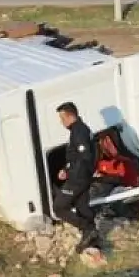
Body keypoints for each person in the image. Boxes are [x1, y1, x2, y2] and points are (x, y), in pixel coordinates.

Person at [52, 102, 100, 253]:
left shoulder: (79, 131)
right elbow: (76, 157)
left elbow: (84, 156)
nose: (61, 122)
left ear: (70, 116)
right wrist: (66, 169)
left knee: (59, 207)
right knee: (82, 207)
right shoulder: (79, 129)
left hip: (78, 178)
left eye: (62, 118)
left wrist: (71, 173)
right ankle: (92, 240)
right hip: (82, 176)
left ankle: (88, 228)